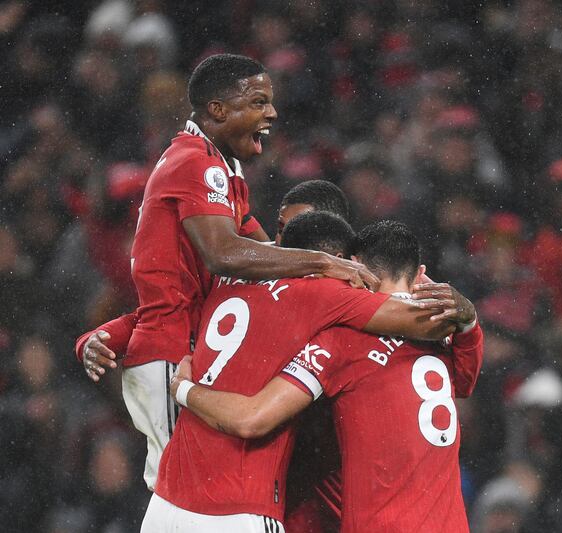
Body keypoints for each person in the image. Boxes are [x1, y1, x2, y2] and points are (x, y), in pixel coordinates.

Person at [75, 53, 378, 491]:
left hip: (185, 350)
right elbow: (226, 254)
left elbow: (266, 252)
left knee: (194, 492)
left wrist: (349, 266)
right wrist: (324, 262)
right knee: (179, 495)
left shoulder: (220, 168)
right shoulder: (196, 163)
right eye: (258, 102)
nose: (271, 113)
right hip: (169, 354)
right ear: (218, 109)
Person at [168, 220, 484, 532]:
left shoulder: (342, 340)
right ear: (419, 274)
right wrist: (469, 322)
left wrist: (183, 389)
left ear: (355, 266)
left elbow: (253, 418)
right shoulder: (445, 336)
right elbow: (466, 381)